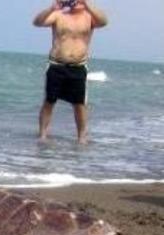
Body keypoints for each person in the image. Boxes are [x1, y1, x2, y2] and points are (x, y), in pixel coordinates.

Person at [33, 0, 108, 144]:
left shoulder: (89, 16)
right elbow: (37, 22)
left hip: (78, 66)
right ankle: (43, 135)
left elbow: (104, 22)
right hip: (56, 64)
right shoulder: (58, 15)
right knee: (49, 101)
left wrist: (87, 5)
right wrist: (51, 8)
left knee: (79, 104)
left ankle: (81, 137)